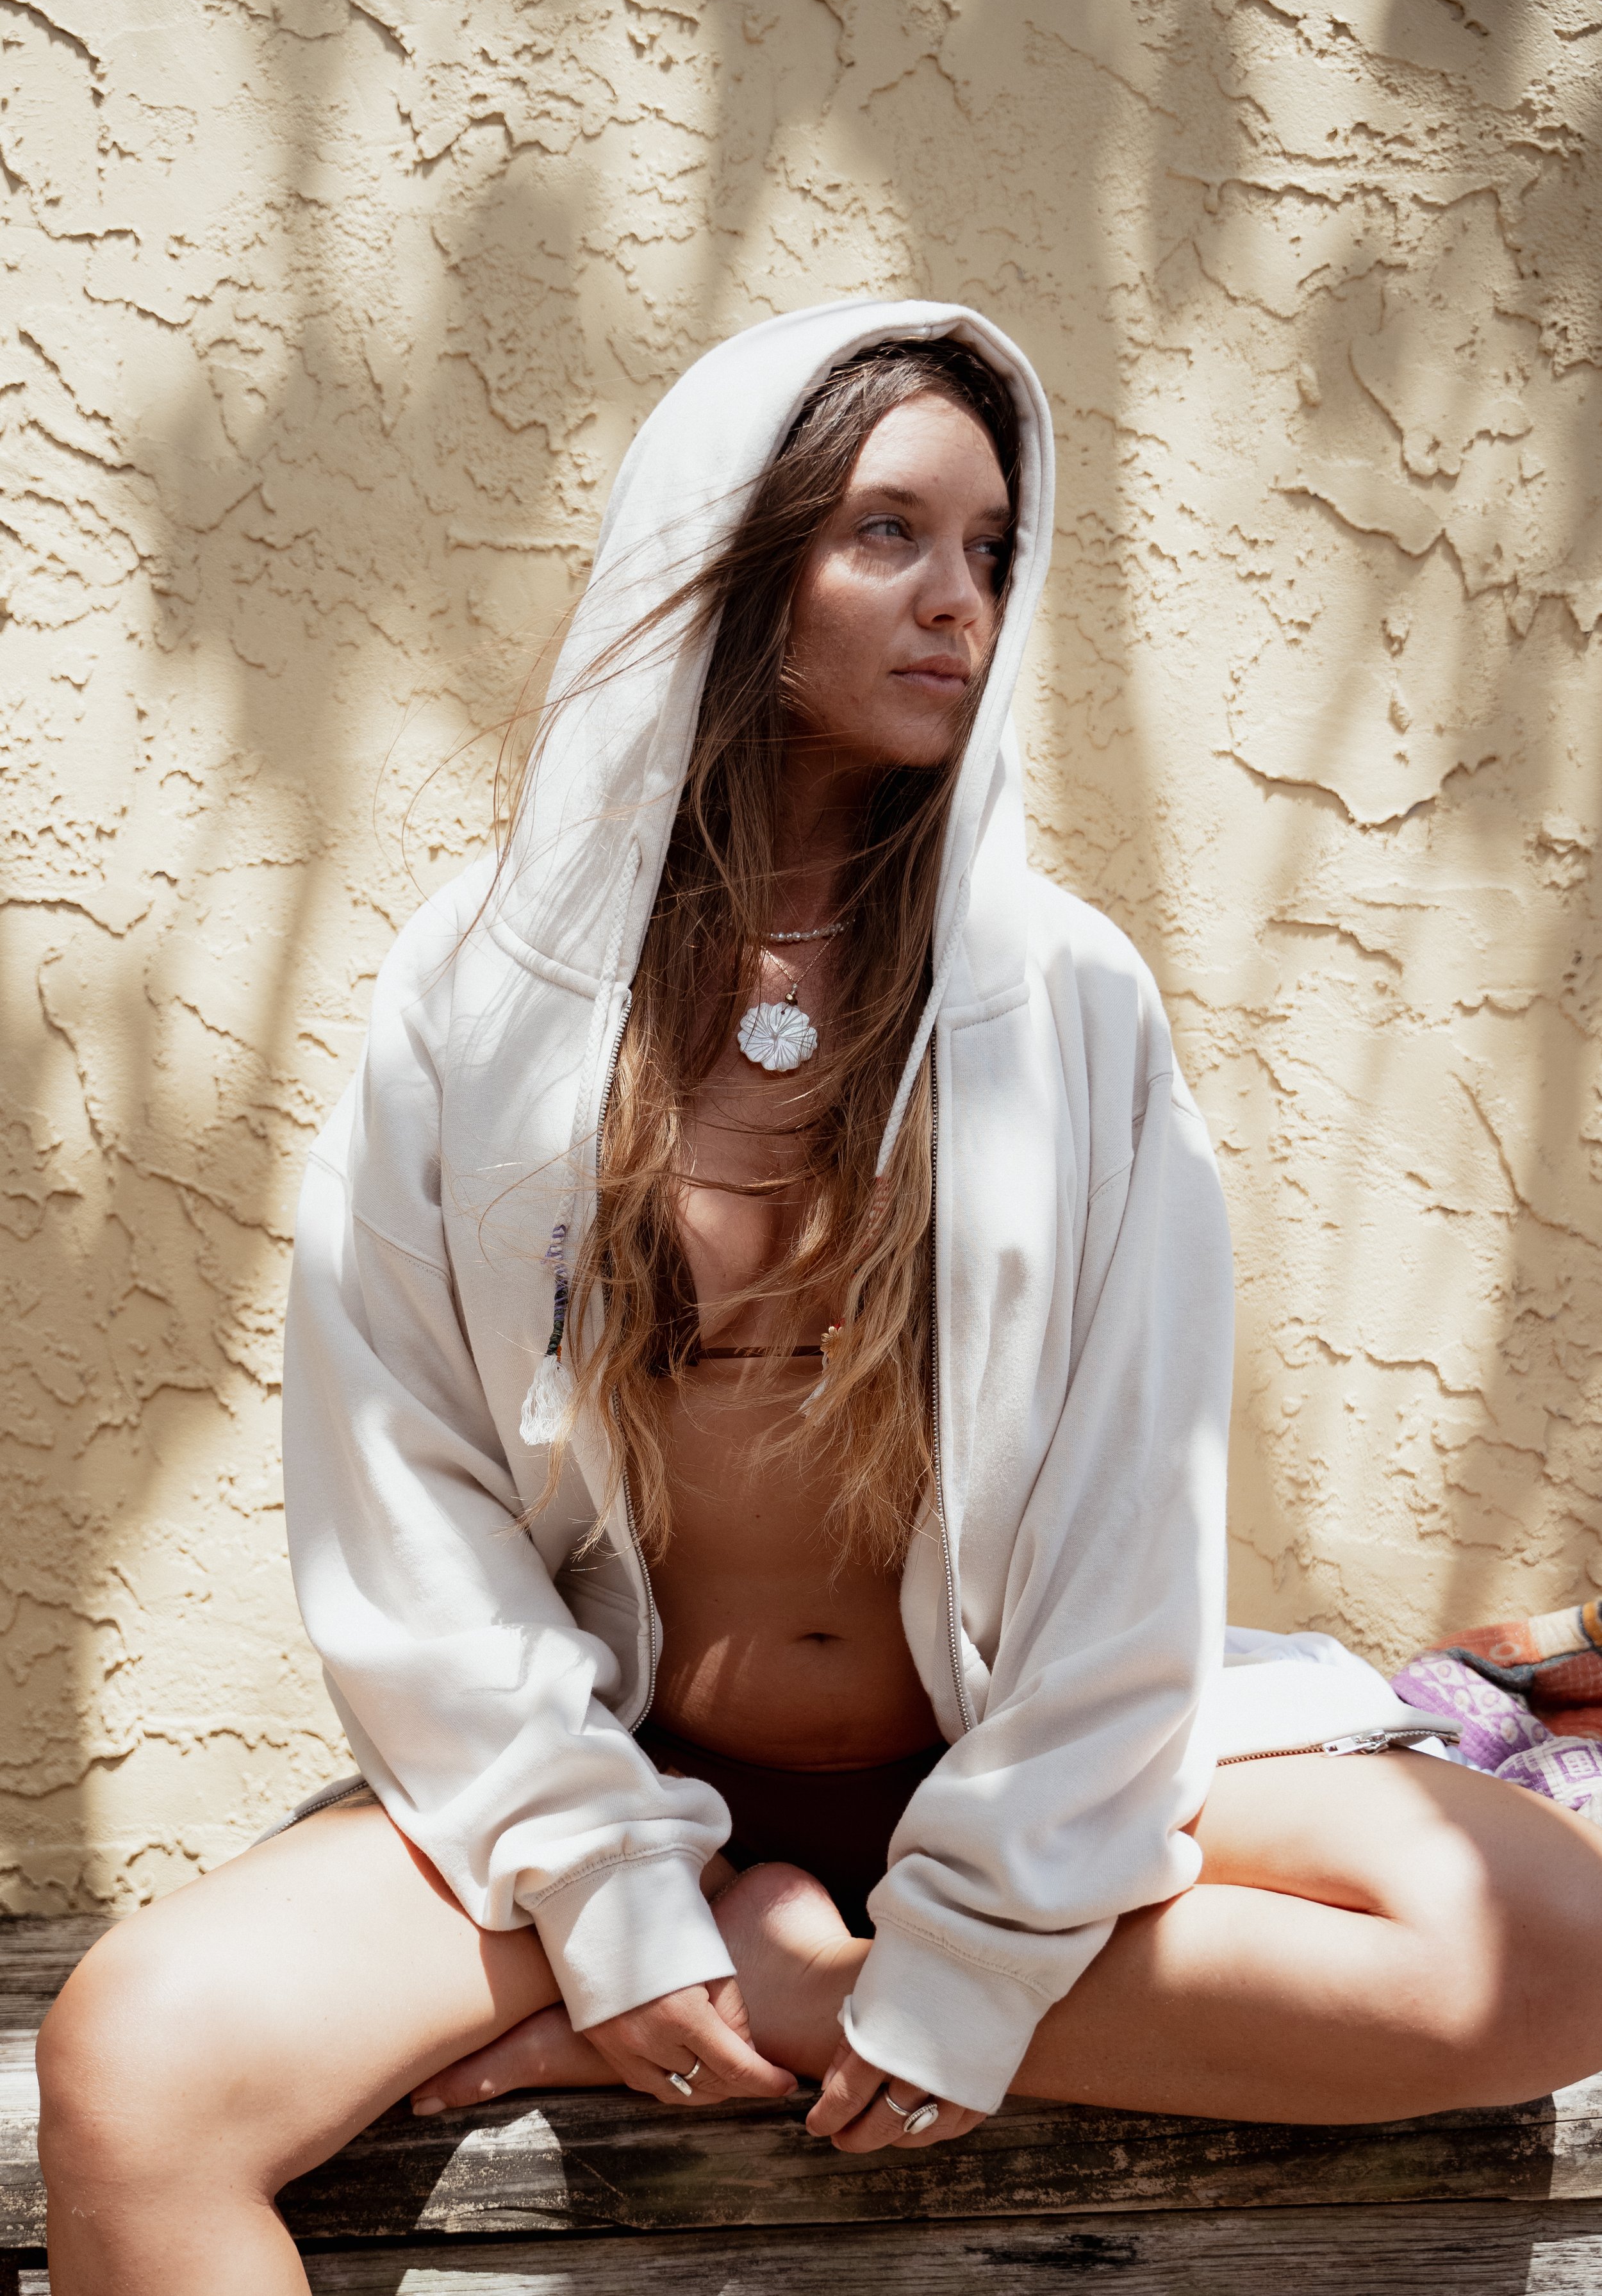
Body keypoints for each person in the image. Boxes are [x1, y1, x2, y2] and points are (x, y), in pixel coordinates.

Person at [36, 301, 1602, 2295]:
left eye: (991, 551)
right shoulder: (484, 993)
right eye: (888, 535)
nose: (958, 600)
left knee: (1552, 1949)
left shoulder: (1060, 1001)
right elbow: (401, 1477)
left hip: (1015, 1779)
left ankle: (799, 1981)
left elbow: (1135, 1499)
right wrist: (613, 1895)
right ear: (730, 557)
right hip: (614, 1780)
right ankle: (730, 1932)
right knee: (127, 2074)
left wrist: (920, 1980)